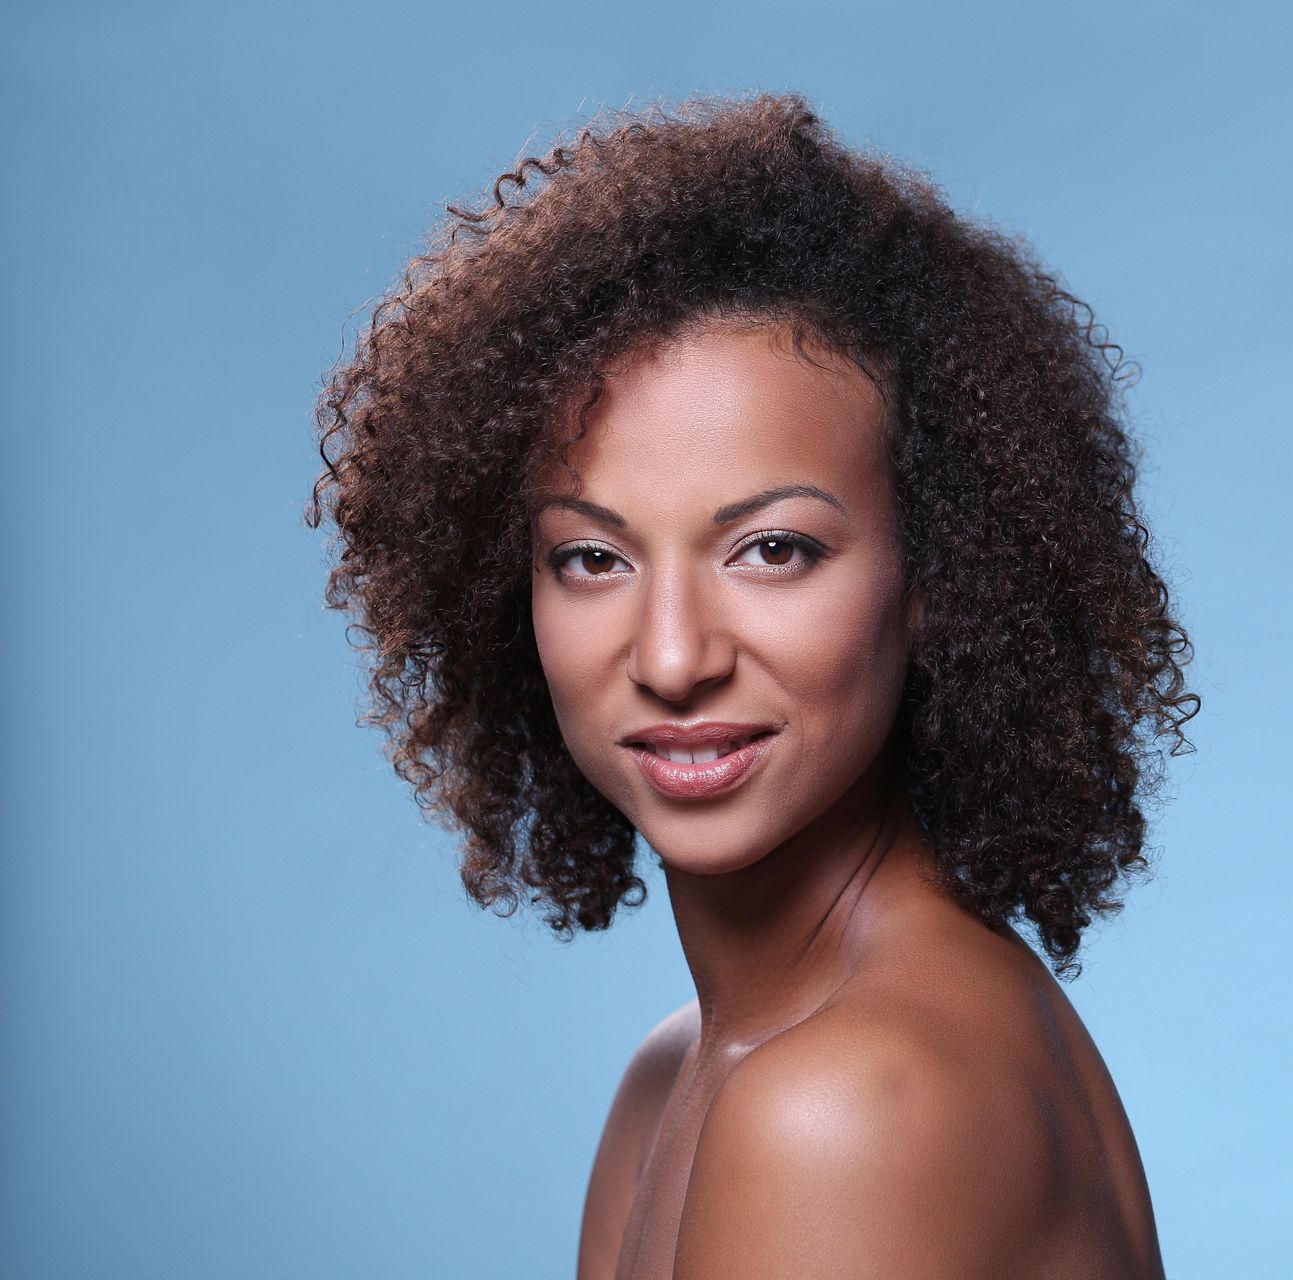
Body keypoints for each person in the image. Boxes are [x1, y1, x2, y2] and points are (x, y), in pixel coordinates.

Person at [307, 92, 1197, 1279]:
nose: (674, 658)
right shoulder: (676, 1077)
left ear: (938, 572)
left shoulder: (848, 1104)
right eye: (593, 557)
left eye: (773, 549)